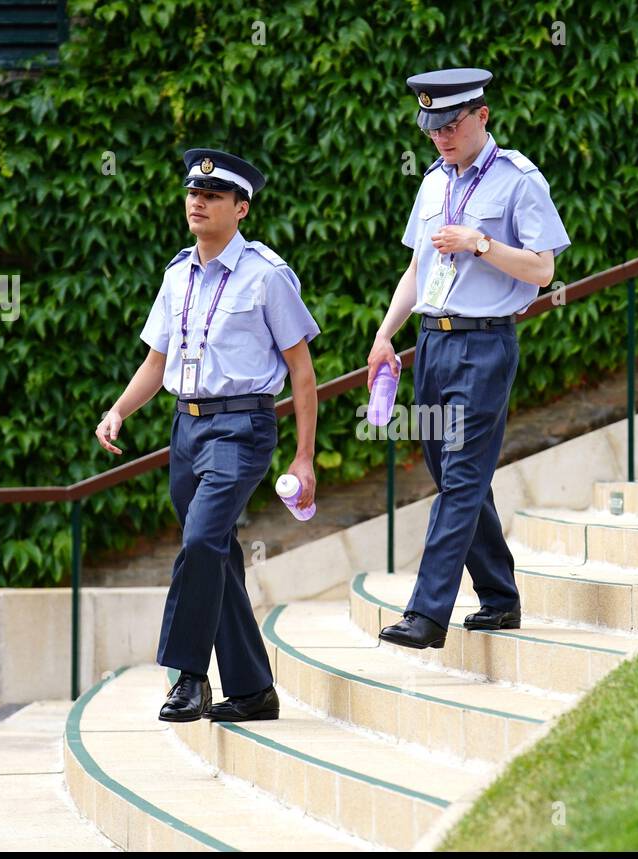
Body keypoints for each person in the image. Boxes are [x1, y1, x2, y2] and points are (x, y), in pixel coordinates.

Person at [95, 148, 320, 721]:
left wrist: (304, 458)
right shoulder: (176, 276)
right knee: (215, 556)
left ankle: (188, 677)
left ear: (241, 209)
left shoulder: (267, 276)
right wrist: (119, 410)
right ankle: (252, 690)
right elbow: (155, 362)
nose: (198, 202)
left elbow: (301, 369)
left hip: (242, 426)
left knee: (199, 542)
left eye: (213, 195)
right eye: (194, 193)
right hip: (186, 430)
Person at [366, 67, 571, 650]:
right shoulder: (432, 182)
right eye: (432, 128)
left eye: (451, 125)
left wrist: (479, 242)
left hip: (484, 344)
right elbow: (417, 270)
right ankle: (500, 598)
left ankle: (427, 614)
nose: (441, 137)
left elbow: (543, 269)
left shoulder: (518, 179)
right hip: (432, 343)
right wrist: (386, 336)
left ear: (482, 116)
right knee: (456, 474)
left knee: (459, 478)